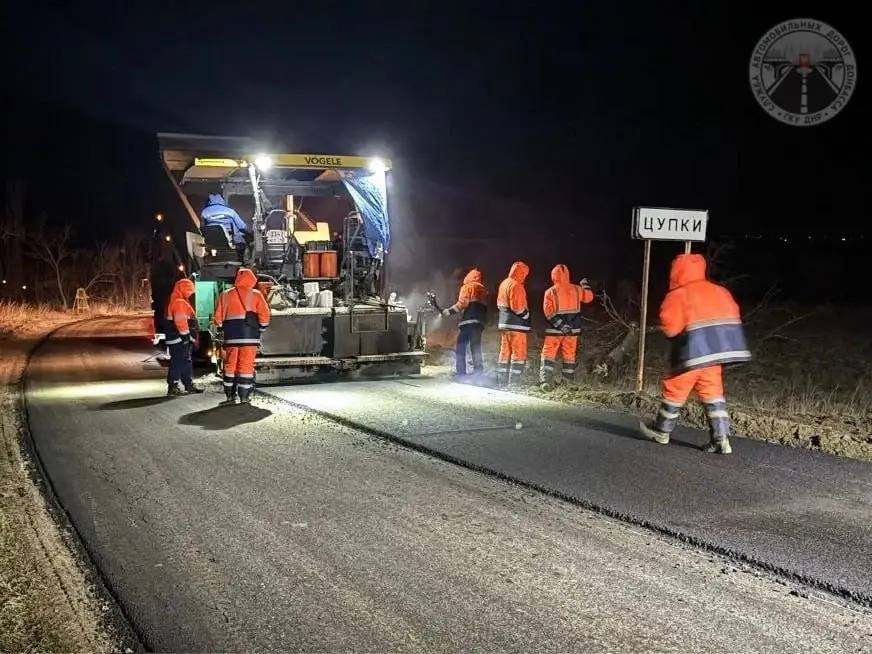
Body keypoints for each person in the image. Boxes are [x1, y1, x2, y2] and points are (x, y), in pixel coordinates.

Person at [639, 253, 751, 454]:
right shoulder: (720, 291)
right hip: (716, 353)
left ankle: (661, 431)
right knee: (713, 393)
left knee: (675, 389)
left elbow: (671, 327)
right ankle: (722, 439)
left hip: (692, 352)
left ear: (676, 272)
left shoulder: (679, 294)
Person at [212, 268, 271, 405]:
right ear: (252, 279)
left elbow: (217, 319)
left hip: (231, 337)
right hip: (249, 337)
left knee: (230, 365)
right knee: (245, 366)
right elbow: (265, 316)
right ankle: (244, 397)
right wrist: (261, 328)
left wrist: (224, 327)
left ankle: (229, 396)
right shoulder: (256, 294)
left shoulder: (225, 295)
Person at [540, 264, 594, 391]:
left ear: (553, 276)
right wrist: (584, 284)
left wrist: (561, 325)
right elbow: (589, 297)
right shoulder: (577, 289)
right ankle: (567, 383)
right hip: (572, 331)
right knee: (569, 356)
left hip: (554, 330)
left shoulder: (550, 292)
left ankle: (546, 381)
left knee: (548, 354)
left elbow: (548, 312)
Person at [442, 267, 487, 378]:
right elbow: (485, 308)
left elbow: (462, 304)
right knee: (475, 348)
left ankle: (461, 372)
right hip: (479, 323)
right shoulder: (483, 290)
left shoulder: (467, 287)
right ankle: (478, 372)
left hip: (467, 322)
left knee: (461, 347)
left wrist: (449, 311)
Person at [164, 278, 204, 396]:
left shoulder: (177, 300)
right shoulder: (179, 302)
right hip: (179, 339)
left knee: (185, 361)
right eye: (189, 290)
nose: (190, 293)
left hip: (179, 338)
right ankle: (174, 386)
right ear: (182, 289)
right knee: (178, 361)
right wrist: (186, 337)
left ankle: (188, 384)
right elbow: (181, 321)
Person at [496, 261, 531, 387]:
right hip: (517, 325)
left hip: (504, 324)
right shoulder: (517, 285)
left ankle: (501, 381)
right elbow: (518, 307)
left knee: (504, 352)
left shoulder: (504, 283)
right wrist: (526, 316)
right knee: (518, 352)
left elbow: (499, 304)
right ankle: (514, 383)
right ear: (522, 273)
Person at [200, 193, 250, 261]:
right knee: (246, 242)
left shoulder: (204, 212)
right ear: (222, 200)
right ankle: (243, 262)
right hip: (232, 241)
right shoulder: (230, 211)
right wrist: (249, 233)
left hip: (212, 243)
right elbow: (242, 227)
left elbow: (202, 228)